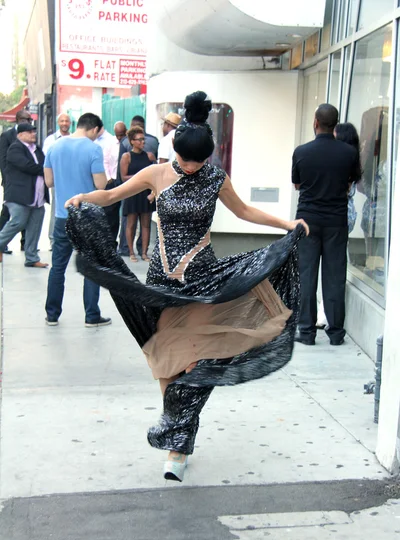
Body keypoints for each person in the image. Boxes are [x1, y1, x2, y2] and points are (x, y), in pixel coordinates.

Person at [65, 91, 308, 483]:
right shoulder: (156, 173)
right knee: (164, 360)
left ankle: (177, 446)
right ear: (174, 152)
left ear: (209, 157)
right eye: (184, 160)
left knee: (195, 361)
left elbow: (244, 210)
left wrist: (286, 225)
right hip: (160, 284)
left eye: (198, 161)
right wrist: (82, 198)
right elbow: (110, 195)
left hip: (203, 283)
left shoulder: (215, 177)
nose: (191, 167)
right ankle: (177, 426)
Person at [292, 104, 361, 347]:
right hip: (336, 221)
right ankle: (336, 334)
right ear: (335, 124)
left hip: (307, 221)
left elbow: (297, 185)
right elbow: (351, 182)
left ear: (315, 122)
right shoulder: (348, 153)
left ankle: (307, 332)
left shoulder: (301, 152)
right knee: (334, 276)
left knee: (307, 276)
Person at [43, 113, 112, 327]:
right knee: (91, 267)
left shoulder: (54, 146)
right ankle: (91, 316)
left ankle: (52, 315)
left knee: (57, 267)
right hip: (86, 216)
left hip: (62, 216)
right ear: (93, 129)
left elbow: (49, 181)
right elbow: (100, 185)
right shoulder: (93, 149)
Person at [316, 122, 362, 328]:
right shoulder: (351, 159)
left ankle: (325, 313)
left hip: (338, 215)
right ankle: (326, 312)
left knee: (329, 268)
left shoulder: (342, 160)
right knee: (335, 263)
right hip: (344, 214)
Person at [0, 122, 49, 267]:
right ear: (20, 135)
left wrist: (45, 169)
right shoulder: (15, 148)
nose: (33, 134)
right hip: (19, 196)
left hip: (37, 197)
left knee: (35, 227)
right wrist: (44, 171)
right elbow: (27, 166)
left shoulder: (37, 149)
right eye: (29, 132)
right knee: (18, 222)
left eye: (34, 131)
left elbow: (46, 163)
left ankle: (32, 258)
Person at [0, 109, 32, 253]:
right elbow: (3, 160)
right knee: (7, 212)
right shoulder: (7, 136)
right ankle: (2, 243)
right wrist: (7, 181)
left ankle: (25, 244)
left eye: (29, 120)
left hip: (26, 183)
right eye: (24, 120)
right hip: (11, 183)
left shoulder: (31, 136)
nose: (27, 122)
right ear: (18, 120)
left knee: (27, 211)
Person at [120, 126, 153, 262]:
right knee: (131, 223)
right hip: (132, 192)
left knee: (146, 224)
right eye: (139, 140)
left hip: (145, 193)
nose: (142, 142)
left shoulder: (149, 156)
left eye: (143, 139)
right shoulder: (126, 156)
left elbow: (154, 173)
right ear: (132, 141)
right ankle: (131, 252)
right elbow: (123, 177)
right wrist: (140, 177)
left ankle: (144, 253)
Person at [43, 113, 72, 249]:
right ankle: (53, 239)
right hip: (57, 180)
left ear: (70, 123)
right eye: (62, 121)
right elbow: (46, 162)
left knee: (73, 209)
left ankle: (72, 239)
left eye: (67, 121)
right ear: (58, 123)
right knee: (57, 209)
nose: (64, 123)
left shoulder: (74, 139)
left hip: (73, 179)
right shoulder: (51, 140)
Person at [97, 121, 127, 243]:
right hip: (112, 181)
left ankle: (123, 243)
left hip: (124, 182)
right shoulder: (110, 143)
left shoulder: (127, 143)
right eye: (117, 135)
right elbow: (105, 161)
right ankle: (110, 241)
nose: (119, 138)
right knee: (111, 214)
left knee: (124, 214)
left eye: (122, 135)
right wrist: (108, 177)